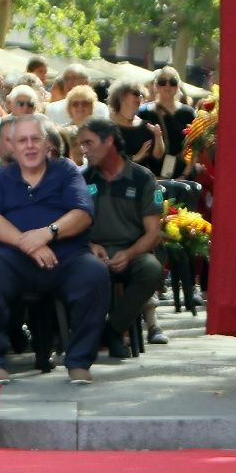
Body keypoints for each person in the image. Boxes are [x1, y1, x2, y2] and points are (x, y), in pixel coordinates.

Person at [0, 115, 108, 384]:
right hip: (10, 257)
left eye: (35, 139)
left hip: (65, 255)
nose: (29, 146)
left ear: (46, 144)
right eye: (22, 140)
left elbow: (83, 213)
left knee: (95, 274)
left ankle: (79, 361)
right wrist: (25, 242)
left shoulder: (65, 171)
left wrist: (47, 233)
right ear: (13, 147)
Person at [78, 118, 166, 354]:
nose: (83, 150)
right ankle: (87, 333)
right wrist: (89, 245)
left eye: (88, 143)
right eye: (81, 144)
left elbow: (153, 233)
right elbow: (70, 224)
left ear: (108, 141)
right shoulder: (82, 180)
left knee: (151, 269)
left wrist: (129, 254)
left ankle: (112, 330)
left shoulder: (142, 178)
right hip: (92, 251)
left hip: (132, 249)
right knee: (79, 269)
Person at [137, 68, 196, 179]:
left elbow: (195, 148)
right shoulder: (144, 112)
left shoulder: (189, 113)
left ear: (178, 86)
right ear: (156, 86)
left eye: (173, 82)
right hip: (151, 177)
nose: (167, 86)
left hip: (182, 177)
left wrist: (184, 176)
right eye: (162, 82)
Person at [109, 81, 163, 168]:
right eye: (136, 93)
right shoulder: (107, 125)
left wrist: (158, 137)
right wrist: (134, 158)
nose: (140, 97)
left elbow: (158, 156)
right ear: (121, 96)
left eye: (140, 94)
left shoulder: (146, 126)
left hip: (142, 178)